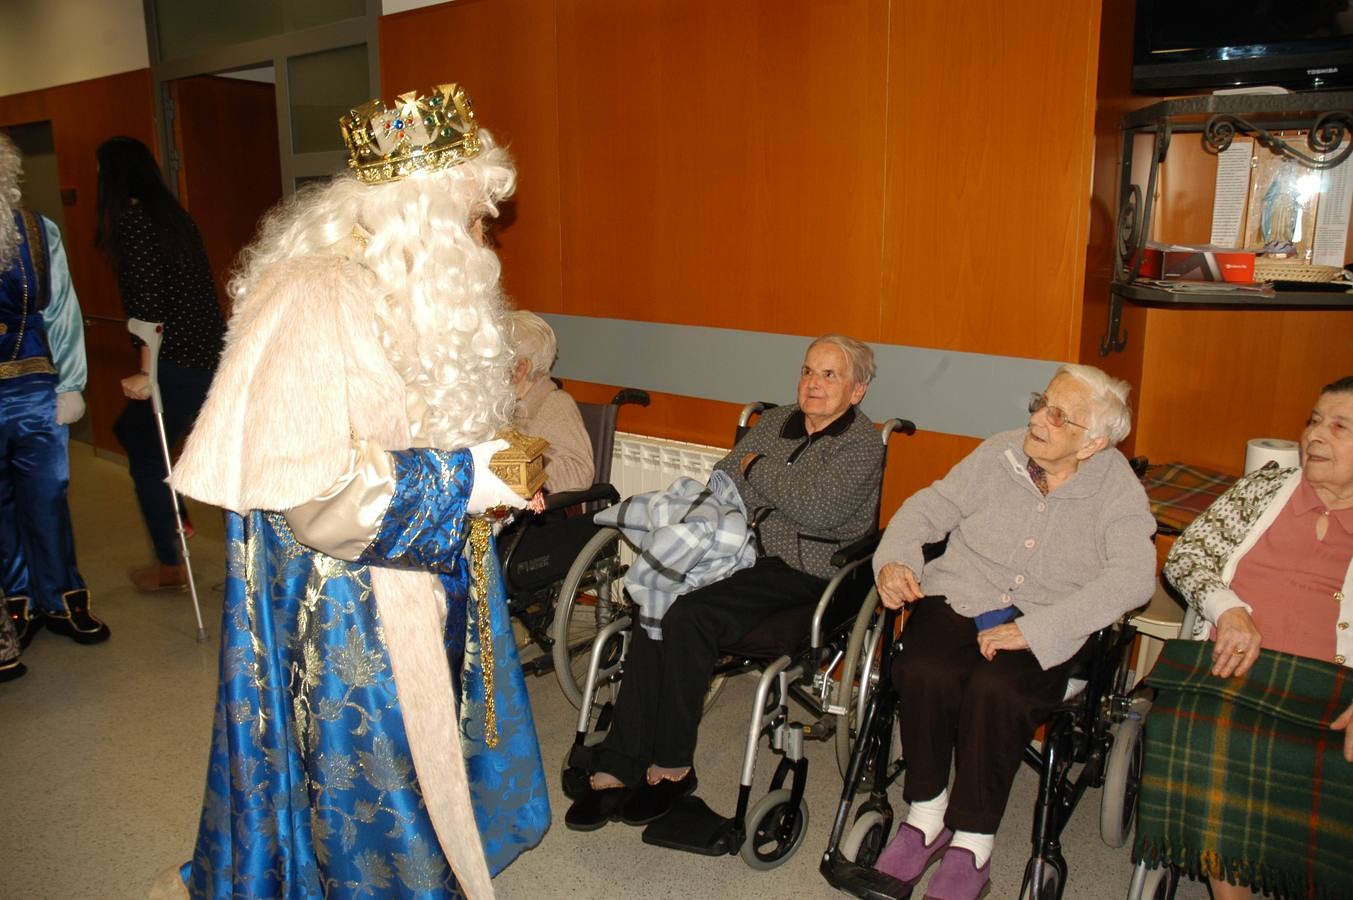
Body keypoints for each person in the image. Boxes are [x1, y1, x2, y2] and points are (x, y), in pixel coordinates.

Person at [159, 83, 549, 898]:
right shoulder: (320, 295)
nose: (487, 241)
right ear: (425, 214)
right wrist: (466, 480)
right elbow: (320, 494)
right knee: (374, 786)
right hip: (345, 612)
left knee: (430, 754)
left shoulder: (396, 288)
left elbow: (415, 425)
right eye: (476, 220)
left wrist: (499, 476)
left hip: (404, 577)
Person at [566, 334, 885, 830]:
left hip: (807, 569)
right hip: (741, 550)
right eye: (807, 371)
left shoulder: (862, 443)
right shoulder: (779, 419)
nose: (813, 384)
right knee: (655, 594)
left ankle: (672, 766)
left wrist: (758, 467)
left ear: (857, 390)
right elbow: (724, 473)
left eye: (829, 375)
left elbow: (819, 512)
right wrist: (768, 485)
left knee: (692, 616)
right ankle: (619, 758)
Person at [870, 364, 1156, 900]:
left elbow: (1134, 577)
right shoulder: (999, 452)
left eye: (1058, 415)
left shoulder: (1116, 489)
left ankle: (973, 842)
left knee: (995, 689)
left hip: (1049, 617)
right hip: (963, 595)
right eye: (1041, 402)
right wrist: (895, 559)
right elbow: (927, 508)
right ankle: (927, 816)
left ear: (1093, 442)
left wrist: (1039, 629)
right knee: (921, 668)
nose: (1037, 419)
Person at [1133, 375, 1353, 900]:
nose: (1316, 436)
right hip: (1234, 667)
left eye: (1339, 426)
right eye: (1314, 421)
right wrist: (1227, 609)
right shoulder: (1265, 487)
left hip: (1331, 688)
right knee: (1210, 732)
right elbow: (1188, 556)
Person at [95, 136, 226, 592]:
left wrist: (145, 373)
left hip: (176, 359)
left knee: (147, 451)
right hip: (206, 353)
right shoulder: (174, 218)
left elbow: (149, 305)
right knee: (142, 437)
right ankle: (178, 529)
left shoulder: (134, 221)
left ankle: (172, 561)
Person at [0, 131, 106, 682]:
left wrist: (71, 385)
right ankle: (13, 604)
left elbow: (62, 310)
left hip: (33, 394)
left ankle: (61, 598)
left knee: (47, 499)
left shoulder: (38, 233)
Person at [507, 309, 594, 493]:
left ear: (520, 368)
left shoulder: (556, 405)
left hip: (538, 517)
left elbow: (580, 471)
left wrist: (520, 472)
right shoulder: (497, 405)